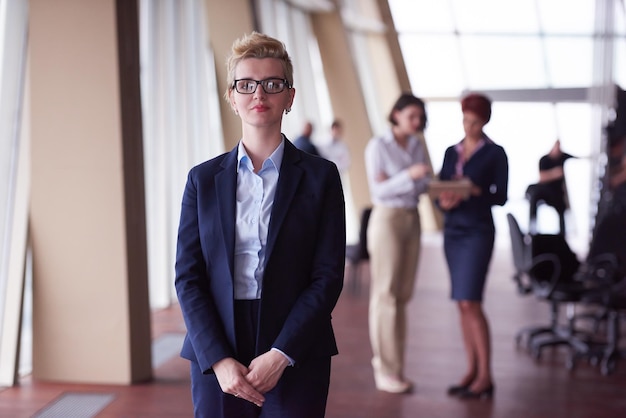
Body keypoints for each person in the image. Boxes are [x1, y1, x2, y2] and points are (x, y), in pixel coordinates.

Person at [174, 32, 346, 418]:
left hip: (296, 342)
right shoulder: (201, 180)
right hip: (217, 344)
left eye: (273, 84)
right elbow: (188, 276)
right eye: (247, 84)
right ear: (232, 98)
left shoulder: (321, 177)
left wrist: (282, 354)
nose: (259, 94)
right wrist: (217, 358)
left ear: (290, 96)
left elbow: (328, 275)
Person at [437, 93, 508, 400]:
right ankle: (471, 369)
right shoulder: (451, 152)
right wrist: (446, 200)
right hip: (453, 231)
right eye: (466, 120)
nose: (470, 127)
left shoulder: (496, 153)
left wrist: (474, 191)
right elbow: (440, 187)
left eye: (476, 122)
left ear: (485, 121)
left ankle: (485, 376)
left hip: (478, 231)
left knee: (472, 301)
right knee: (462, 303)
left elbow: (501, 196)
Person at [364, 93, 431, 393]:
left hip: (412, 217)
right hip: (387, 219)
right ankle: (385, 368)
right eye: (412, 116)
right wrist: (408, 175)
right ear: (396, 114)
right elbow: (378, 190)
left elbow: (423, 184)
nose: (417, 122)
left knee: (403, 295)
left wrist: (404, 179)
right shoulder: (378, 146)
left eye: (420, 117)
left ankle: (397, 367)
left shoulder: (417, 145)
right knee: (386, 295)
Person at [525, 139, 575, 235]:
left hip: (556, 193)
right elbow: (542, 177)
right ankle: (532, 228)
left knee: (561, 207)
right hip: (544, 191)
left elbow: (576, 157)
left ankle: (562, 235)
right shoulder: (544, 160)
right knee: (534, 196)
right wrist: (555, 173)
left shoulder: (562, 157)